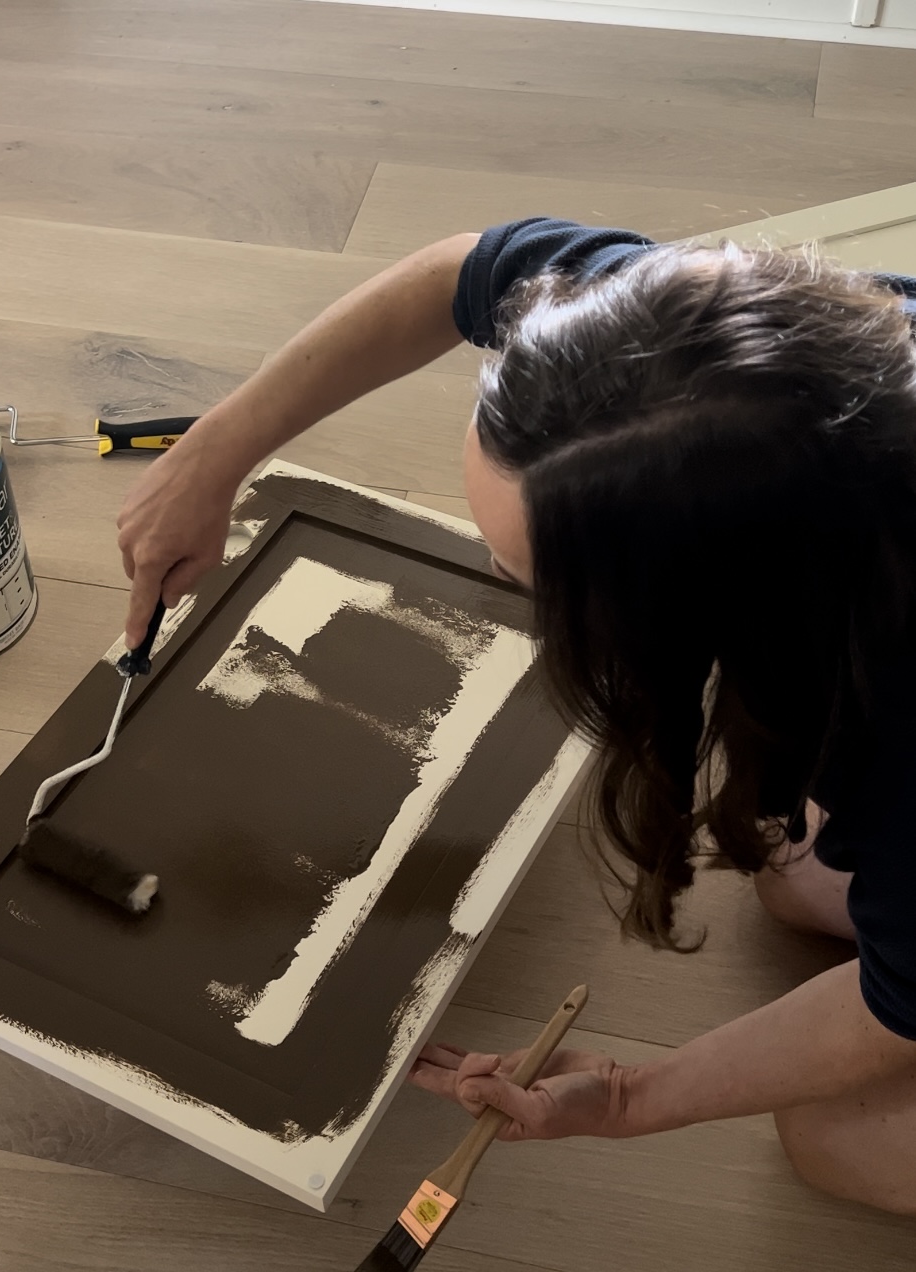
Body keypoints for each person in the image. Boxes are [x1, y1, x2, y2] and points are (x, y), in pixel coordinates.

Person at [115, 218, 916, 1216]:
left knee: (837, 1137)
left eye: (528, 582)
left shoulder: (889, 718)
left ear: (713, 615)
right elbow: (455, 267)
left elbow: (892, 1016)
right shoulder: (679, 355)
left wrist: (630, 1097)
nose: (496, 590)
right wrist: (214, 451)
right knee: (800, 881)